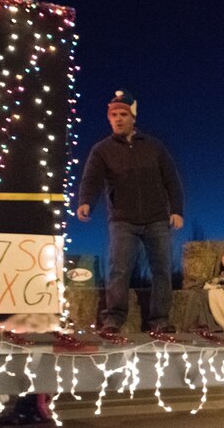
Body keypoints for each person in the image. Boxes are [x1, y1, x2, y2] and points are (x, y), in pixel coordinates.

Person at [77, 89, 184, 334]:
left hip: (156, 218)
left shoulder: (154, 146)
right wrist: (85, 201)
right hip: (123, 220)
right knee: (119, 269)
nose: (118, 118)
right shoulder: (102, 150)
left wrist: (176, 210)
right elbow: (91, 179)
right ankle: (113, 319)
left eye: (123, 114)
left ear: (133, 117)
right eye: (113, 115)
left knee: (162, 270)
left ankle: (159, 320)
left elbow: (171, 179)